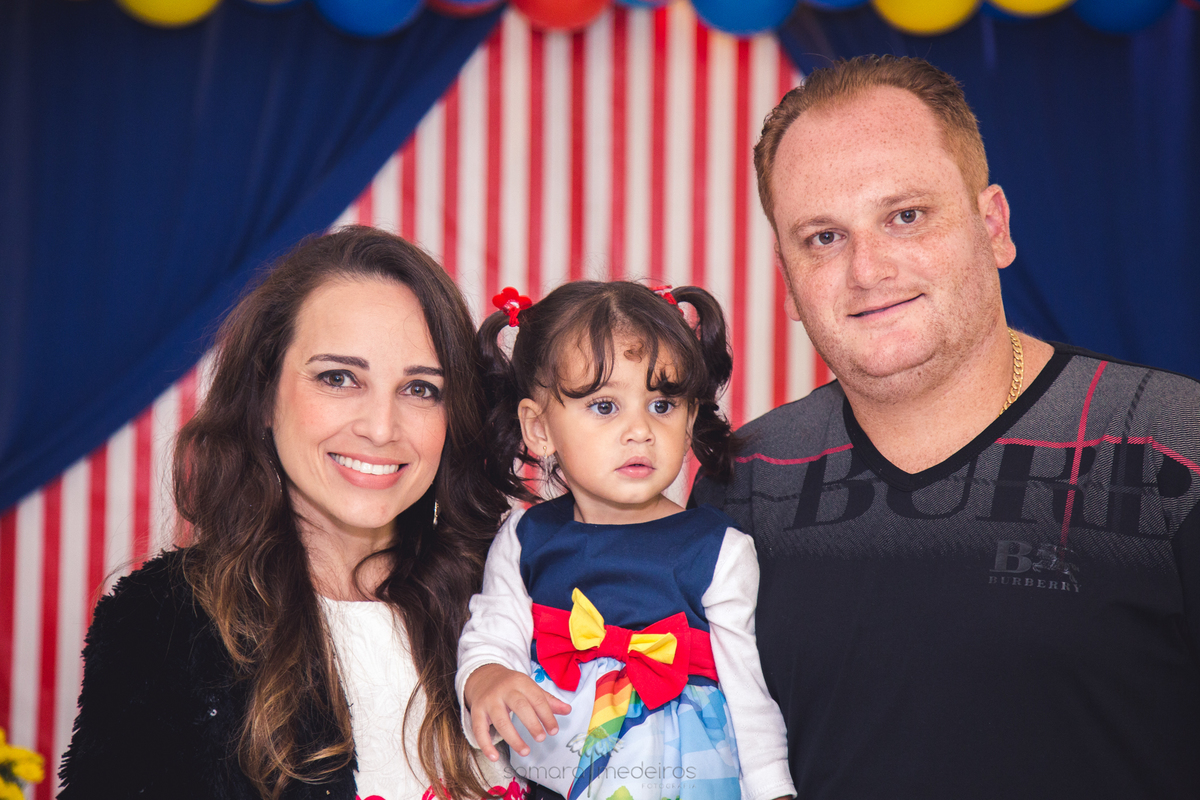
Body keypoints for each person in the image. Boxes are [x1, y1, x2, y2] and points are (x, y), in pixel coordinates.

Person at [692, 54, 1200, 799]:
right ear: (790, 284)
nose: (867, 270)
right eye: (823, 238)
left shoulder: (1169, 443)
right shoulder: (744, 484)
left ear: (992, 226)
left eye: (905, 216)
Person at [59, 227, 523, 800]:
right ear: (263, 398)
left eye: (421, 389)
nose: (381, 427)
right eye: (338, 378)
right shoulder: (165, 625)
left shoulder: (513, 599)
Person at [456, 282, 795, 800]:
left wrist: (772, 791)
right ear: (539, 427)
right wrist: (485, 678)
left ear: (690, 422)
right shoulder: (526, 537)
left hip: (683, 779)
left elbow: (751, 695)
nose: (640, 430)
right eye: (605, 406)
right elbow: (491, 633)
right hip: (555, 766)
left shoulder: (717, 549)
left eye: (662, 404)